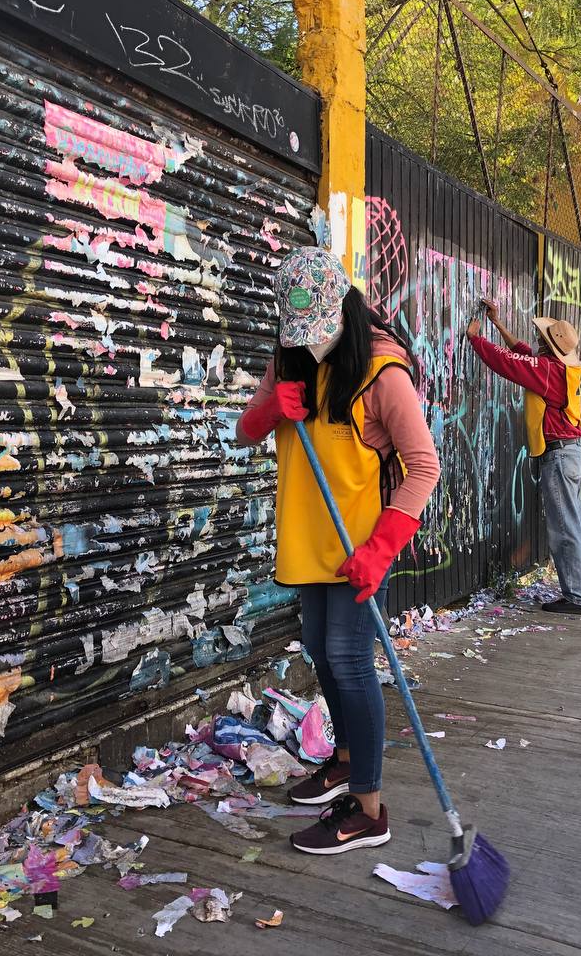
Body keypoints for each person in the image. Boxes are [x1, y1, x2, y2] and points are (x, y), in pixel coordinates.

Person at [235, 247, 440, 855]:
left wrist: (381, 549)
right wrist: (272, 408)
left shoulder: (382, 371)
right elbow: (245, 430)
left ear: (343, 314)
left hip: (358, 547)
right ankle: (345, 763)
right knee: (322, 652)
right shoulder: (291, 358)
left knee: (350, 663)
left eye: (318, 334)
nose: (310, 346)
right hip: (309, 536)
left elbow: (423, 468)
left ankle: (369, 811)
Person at [466, 300, 581, 615]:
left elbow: (510, 362)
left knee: (564, 528)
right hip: (571, 453)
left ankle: (578, 596)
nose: (537, 340)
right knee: (577, 524)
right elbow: (523, 354)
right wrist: (498, 325)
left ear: (548, 345)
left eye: (541, 338)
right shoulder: (563, 369)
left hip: (560, 456)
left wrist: (476, 338)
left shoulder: (549, 371)